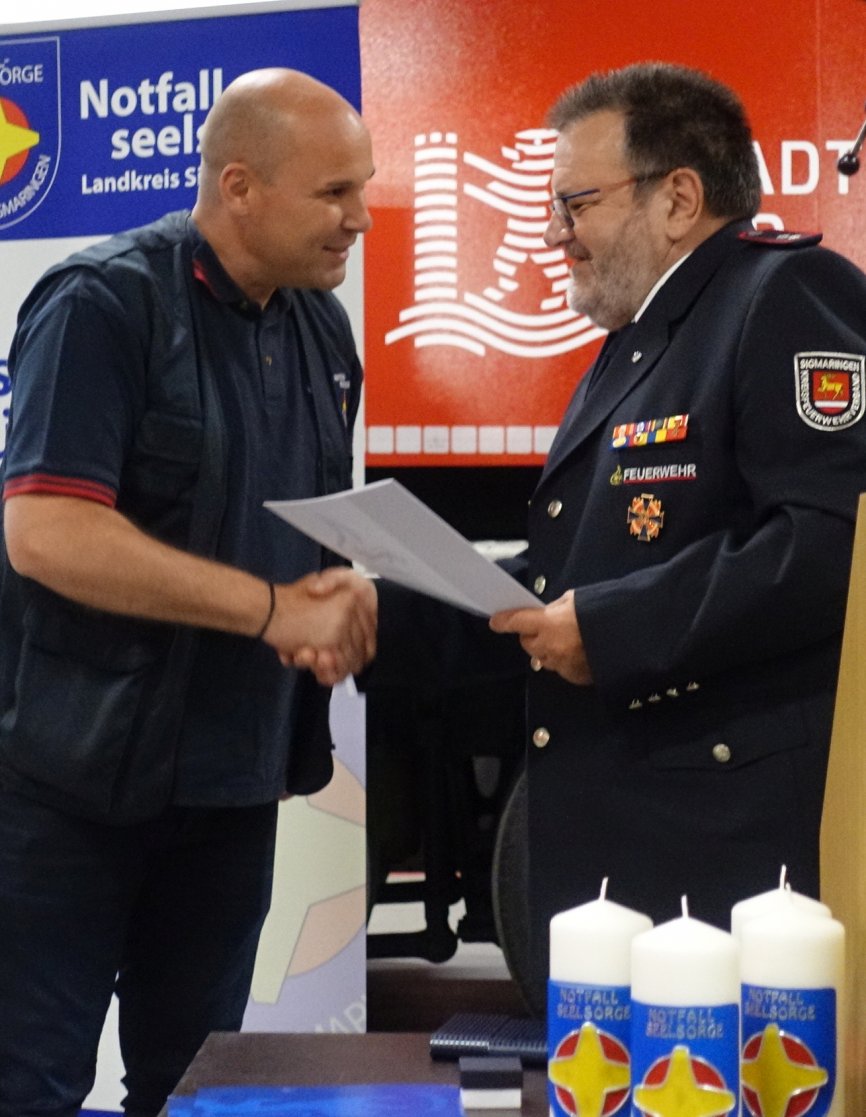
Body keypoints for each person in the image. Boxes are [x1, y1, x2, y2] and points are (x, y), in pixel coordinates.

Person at [367, 62, 866, 999]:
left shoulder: (787, 296)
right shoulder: (635, 345)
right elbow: (560, 582)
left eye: (575, 204)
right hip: (625, 849)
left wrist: (610, 628)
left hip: (727, 858)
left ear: (678, 198)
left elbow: (831, 543)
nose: (554, 234)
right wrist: (378, 614)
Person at [0, 68, 378, 1117]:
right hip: (65, 791)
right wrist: (273, 610)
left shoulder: (322, 331)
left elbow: (298, 521)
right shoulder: (101, 303)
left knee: (196, 1091)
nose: (359, 219)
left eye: (363, 189)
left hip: (229, 786)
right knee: (29, 1085)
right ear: (239, 187)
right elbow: (47, 532)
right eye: (334, 193)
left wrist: (340, 588)